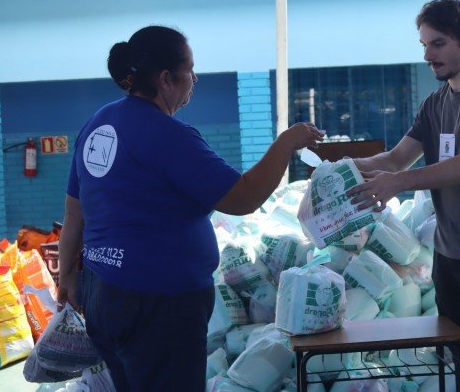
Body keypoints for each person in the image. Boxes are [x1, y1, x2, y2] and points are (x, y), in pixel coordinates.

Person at [57, 25, 323, 391]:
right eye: (190, 70)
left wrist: (67, 278)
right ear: (166, 79)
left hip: (103, 290)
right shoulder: (166, 135)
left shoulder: (98, 123)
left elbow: (74, 214)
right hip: (157, 305)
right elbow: (243, 197)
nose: (194, 78)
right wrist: (285, 144)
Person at [348, 0, 460, 391]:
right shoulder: (435, 104)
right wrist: (344, 169)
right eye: (425, 45)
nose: (429, 55)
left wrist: (399, 183)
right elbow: (396, 159)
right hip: (450, 253)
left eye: (438, 43)